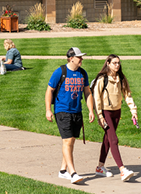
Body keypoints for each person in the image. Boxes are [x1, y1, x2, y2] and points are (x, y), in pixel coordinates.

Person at [45, 47, 95, 185]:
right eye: (79, 57)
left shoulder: (82, 73)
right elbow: (49, 90)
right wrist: (48, 109)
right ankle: (73, 173)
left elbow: (87, 93)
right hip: (62, 110)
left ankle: (62, 171)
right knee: (67, 141)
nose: (81, 59)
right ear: (71, 58)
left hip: (76, 111)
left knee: (71, 141)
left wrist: (91, 110)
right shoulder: (60, 72)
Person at [92, 54, 138, 182]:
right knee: (114, 139)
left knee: (107, 139)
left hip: (117, 112)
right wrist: (100, 116)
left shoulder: (121, 78)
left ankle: (100, 167)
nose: (117, 65)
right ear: (108, 63)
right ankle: (122, 170)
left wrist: (133, 111)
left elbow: (127, 95)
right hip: (105, 112)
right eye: (114, 63)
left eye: (118, 63)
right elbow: (96, 99)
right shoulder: (102, 79)